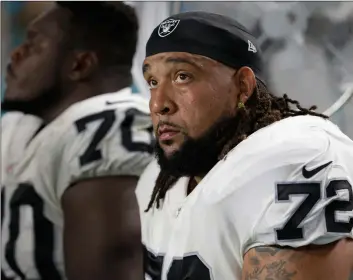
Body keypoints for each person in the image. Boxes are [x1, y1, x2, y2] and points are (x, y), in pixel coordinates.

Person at [136, 11, 353, 280]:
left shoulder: (293, 157)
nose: (158, 104)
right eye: (153, 82)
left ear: (242, 85)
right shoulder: (158, 180)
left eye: (182, 76)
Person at [1, 2, 154, 280]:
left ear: (80, 64)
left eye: (34, 45)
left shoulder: (107, 124)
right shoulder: (21, 128)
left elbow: (115, 265)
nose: (16, 54)